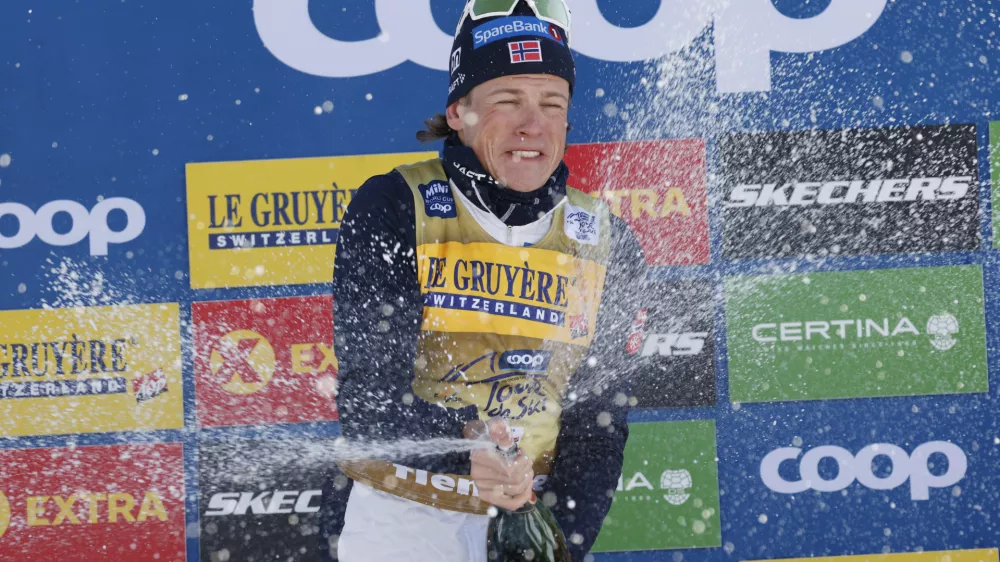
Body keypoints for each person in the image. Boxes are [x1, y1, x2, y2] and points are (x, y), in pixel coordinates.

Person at [320, 1, 646, 560]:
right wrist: (464, 449)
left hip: (528, 523)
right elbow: (370, 395)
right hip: (402, 518)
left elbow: (599, 428)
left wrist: (559, 542)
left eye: (552, 103)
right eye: (507, 101)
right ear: (458, 112)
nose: (533, 125)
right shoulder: (397, 204)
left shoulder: (608, 240)